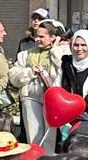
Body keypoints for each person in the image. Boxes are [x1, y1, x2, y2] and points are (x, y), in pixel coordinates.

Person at [9, 15, 65, 150]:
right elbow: (13, 75)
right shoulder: (25, 54)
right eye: (36, 36)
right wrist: (29, 72)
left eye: (42, 36)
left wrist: (55, 49)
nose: (37, 39)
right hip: (30, 96)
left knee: (49, 135)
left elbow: (62, 70)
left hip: (50, 97)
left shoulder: (62, 51)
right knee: (33, 134)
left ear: (53, 37)